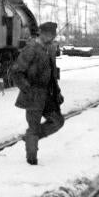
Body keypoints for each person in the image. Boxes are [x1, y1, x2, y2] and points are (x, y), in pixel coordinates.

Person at [11, 21, 65, 165]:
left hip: (47, 95)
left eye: (53, 35)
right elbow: (16, 72)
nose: (52, 38)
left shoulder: (50, 50)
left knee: (58, 121)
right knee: (33, 126)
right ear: (42, 34)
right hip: (33, 95)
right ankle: (31, 160)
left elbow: (53, 75)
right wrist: (27, 88)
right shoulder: (31, 49)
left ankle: (31, 138)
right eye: (49, 35)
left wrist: (57, 92)